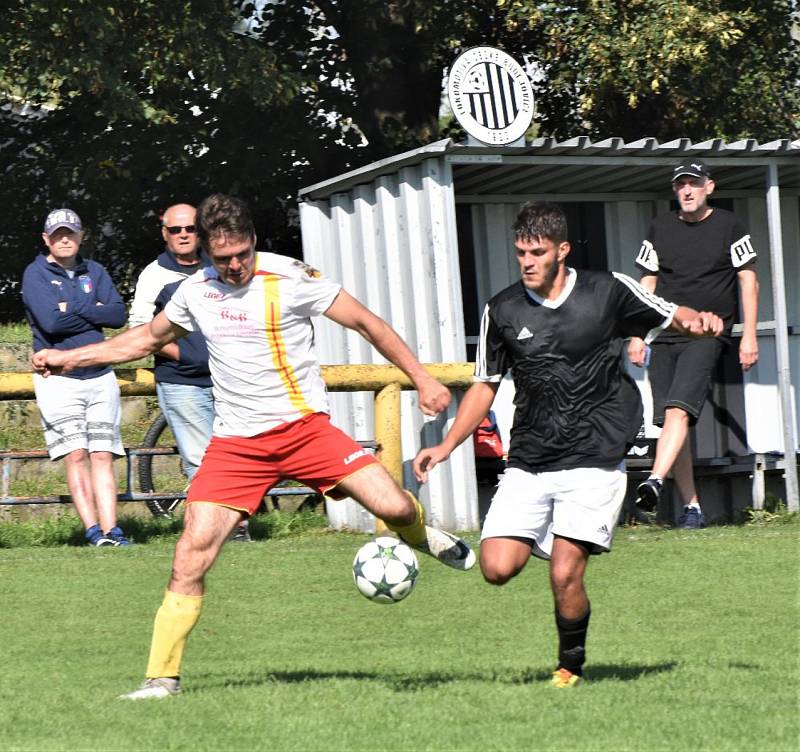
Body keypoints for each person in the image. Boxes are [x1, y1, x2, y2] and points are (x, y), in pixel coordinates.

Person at [32, 193, 476, 699]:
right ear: (205, 251)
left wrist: (422, 379)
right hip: (237, 445)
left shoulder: (291, 277)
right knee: (189, 555)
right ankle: (161, 679)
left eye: (242, 253)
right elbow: (141, 341)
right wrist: (71, 359)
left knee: (395, 504)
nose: (235, 266)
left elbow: (367, 323)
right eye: (223, 258)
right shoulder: (194, 290)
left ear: (253, 242)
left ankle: (417, 536)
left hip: (305, 431)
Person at [412, 202, 723, 688]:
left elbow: (667, 313)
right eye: (520, 253)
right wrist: (448, 444)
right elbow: (484, 385)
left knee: (565, 576)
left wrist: (697, 320)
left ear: (562, 250)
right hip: (530, 459)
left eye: (537, 252)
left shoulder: (606, 290)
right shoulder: (503, 309)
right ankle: (553, 539)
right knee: (495, 568)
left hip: (595, 459)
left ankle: (569, 667)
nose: (527, 262)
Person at [628, 161, 759, 529]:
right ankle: (693, 509)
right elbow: (646, 285)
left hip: (708, 333)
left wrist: (748, 334)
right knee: (673, 420)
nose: (687, 191)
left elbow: (749, 280)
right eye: (681, 185)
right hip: (664, 333)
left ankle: (653, 480)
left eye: (694, 184)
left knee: (677, 410)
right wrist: (638, 334)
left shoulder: (729, 225)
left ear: (709, 187)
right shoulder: (660, 226)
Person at [129, 204, 250, 541]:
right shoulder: (154, 276)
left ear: (201, 231)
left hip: (229, 381)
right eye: (175, 230)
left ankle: (234, 525)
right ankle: (222, 531)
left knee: (237, 454)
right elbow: (140, 328)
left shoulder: (221, 265)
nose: (183, 235)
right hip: (182, 382)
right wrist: (185, 355)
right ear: (163, 232)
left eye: (190, 229)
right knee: (201, 460)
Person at [22, 208, 130, 546]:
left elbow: (116, 314)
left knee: (102, 454)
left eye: (70, 233)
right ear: (46, 239)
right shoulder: (34, 273)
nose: (64, 239)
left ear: (82, 236)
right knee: (77, 454)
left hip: (100, 375)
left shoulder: (94, 270)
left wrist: (72, 307)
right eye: (57, 234)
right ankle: (93, 531)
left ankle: (113, 530)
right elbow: (51, 324)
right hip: (59, 379)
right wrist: (90, 307)